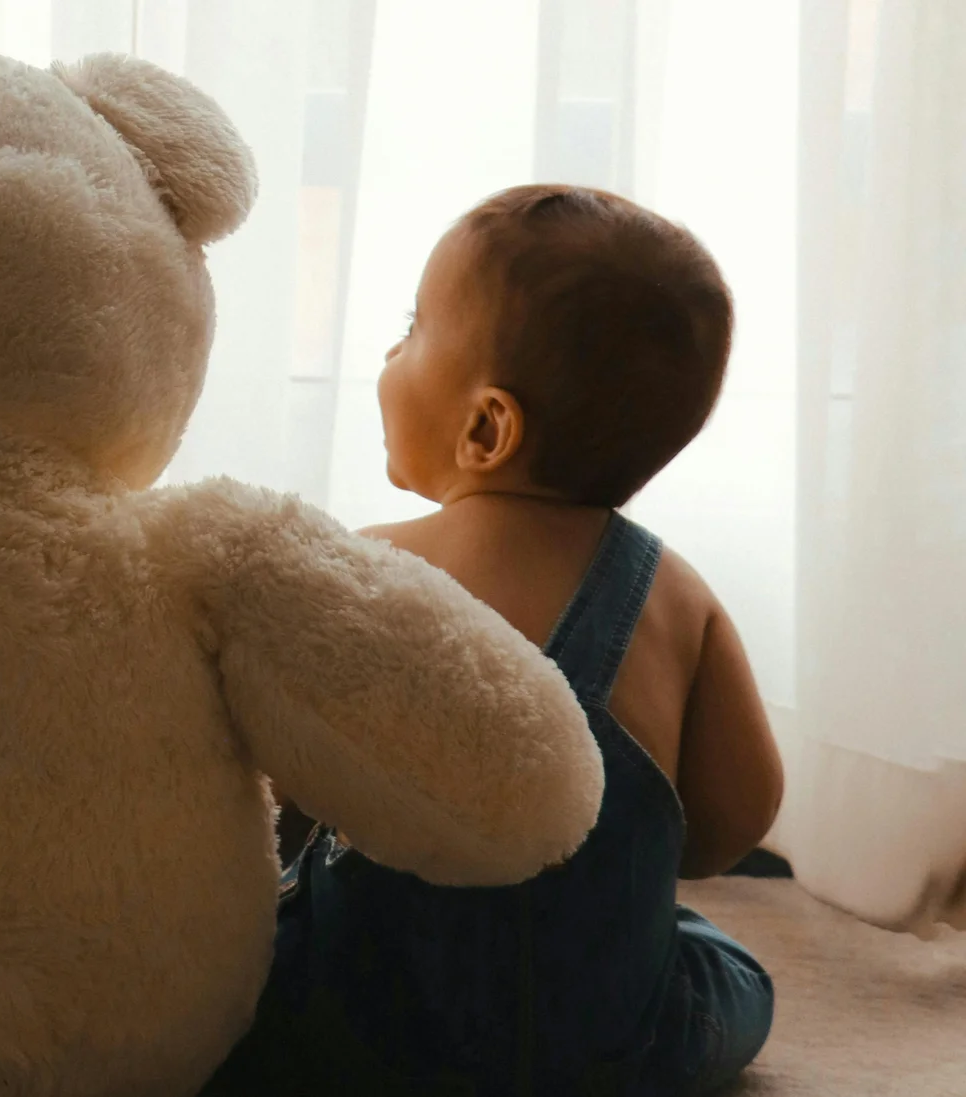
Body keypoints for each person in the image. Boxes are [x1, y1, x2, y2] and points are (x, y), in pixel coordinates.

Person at [206, 184, 785, 1097]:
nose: (388, 353)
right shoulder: (677, 598)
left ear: (486, 427)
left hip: (350, 1029)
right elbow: (732, 824)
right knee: (726, 965)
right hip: (590, 1047)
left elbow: (272, 802)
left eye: (409, 327)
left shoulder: (368, 564)